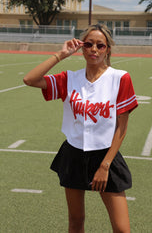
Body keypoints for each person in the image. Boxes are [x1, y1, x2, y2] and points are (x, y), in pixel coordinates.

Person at [23, 24, 138, 233]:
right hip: (74, 153)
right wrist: (61, 54)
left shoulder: (120, 78)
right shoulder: (69, 79)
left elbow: (121, 128)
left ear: (108, 49)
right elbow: (30, 79)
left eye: (100, 45)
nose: (94, 49)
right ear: (81, 48)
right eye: (88, 44)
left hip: (105, 155)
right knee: (76, 221)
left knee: (122, 229)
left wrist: (105, 166)